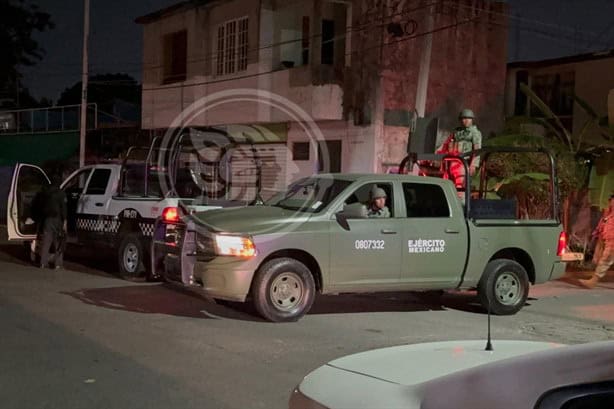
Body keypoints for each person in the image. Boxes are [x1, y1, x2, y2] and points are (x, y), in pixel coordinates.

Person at [436, 109, 482, 187]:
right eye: (464, 118)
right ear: (460, 120)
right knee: (450, 182)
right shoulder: (457, 132)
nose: (466, 121)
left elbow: (477, 150)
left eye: (469, 118)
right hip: (453, 160)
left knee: (460, 184)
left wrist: (473, 165)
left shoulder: (475, 133)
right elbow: (447, 143)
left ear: (472, 120)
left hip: (465, 162)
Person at [580, 194, 614, 288]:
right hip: (610, 241)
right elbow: (602, 229)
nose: (610, 203)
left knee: (605, 260)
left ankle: (593, 281)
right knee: (605, 260)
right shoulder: (608, 216)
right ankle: (593, 281)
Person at [37, 174, 67, 269]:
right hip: (57, 219)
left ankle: (43, 263)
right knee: (58, 242)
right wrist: (65, 221)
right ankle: (58, 264)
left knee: (46, 242)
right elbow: (64, 208)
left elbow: (41, 207)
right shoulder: (61, 193)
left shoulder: (46, 193)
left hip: (47, 220)